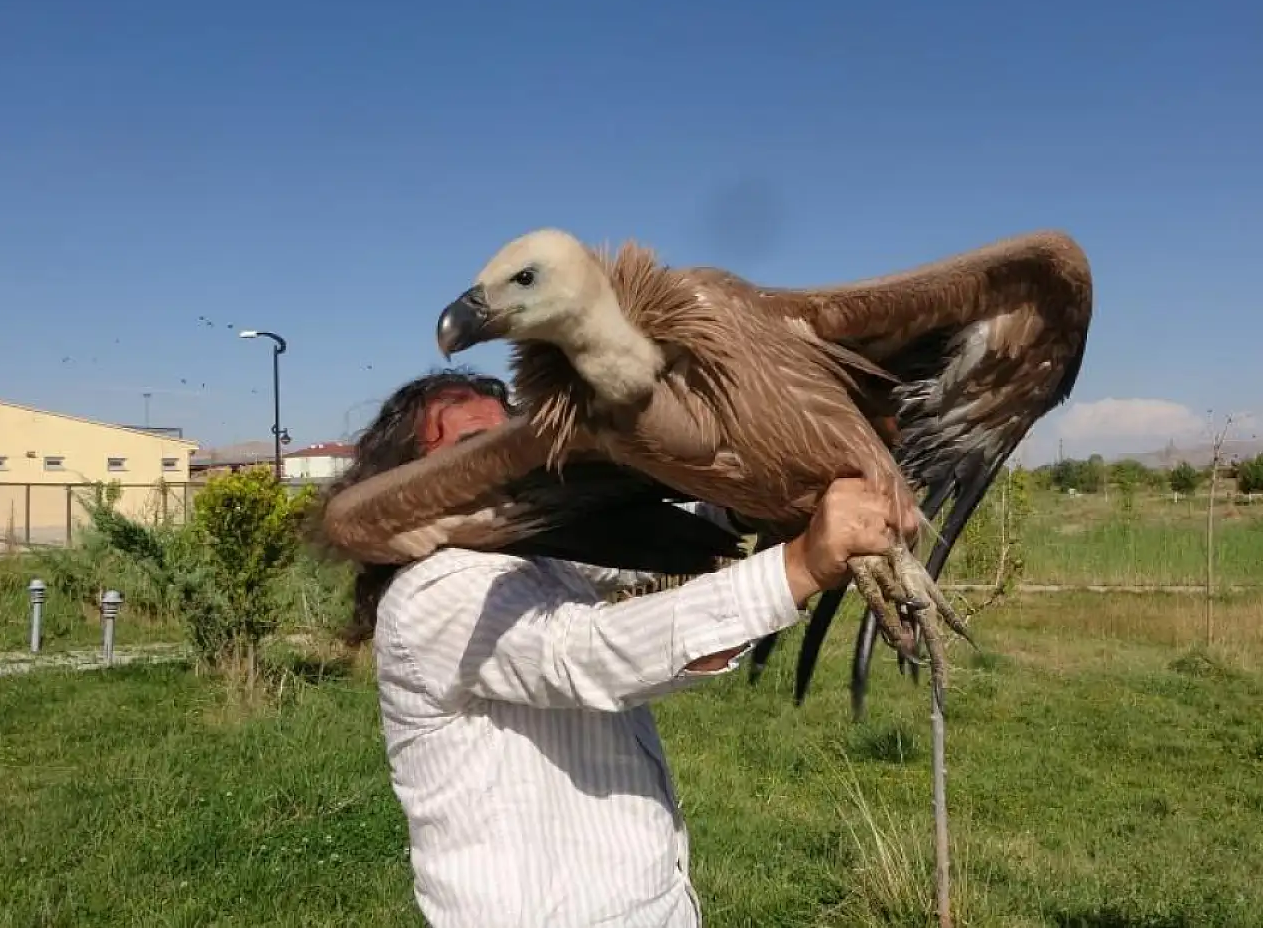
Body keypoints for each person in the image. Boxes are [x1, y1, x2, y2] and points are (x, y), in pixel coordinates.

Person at [323, 367, 914, 927]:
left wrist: (744, 505)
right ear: (404, 485)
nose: (498, 466)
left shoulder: (528, 557)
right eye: (470, 450)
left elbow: (645, 541)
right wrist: (798, 565)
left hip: (648, 903)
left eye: (508, 445)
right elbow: (584, 655)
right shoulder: (432, 592)